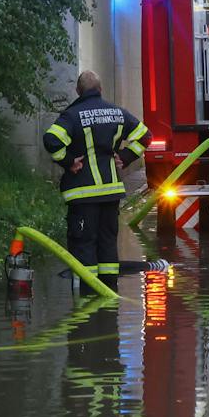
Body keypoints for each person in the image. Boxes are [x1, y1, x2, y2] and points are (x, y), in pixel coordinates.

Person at [44, 70, 150, 289]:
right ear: (100, 90)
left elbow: (52, 139)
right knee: (108, 243)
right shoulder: (117, 113)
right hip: (111, 192)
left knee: (84, 244)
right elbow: (145, 135)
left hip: (83, 194)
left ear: (78, 91)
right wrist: (126, 157)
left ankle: (88, 298)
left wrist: (69, 161)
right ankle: (109, 298)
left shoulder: (72, 115)